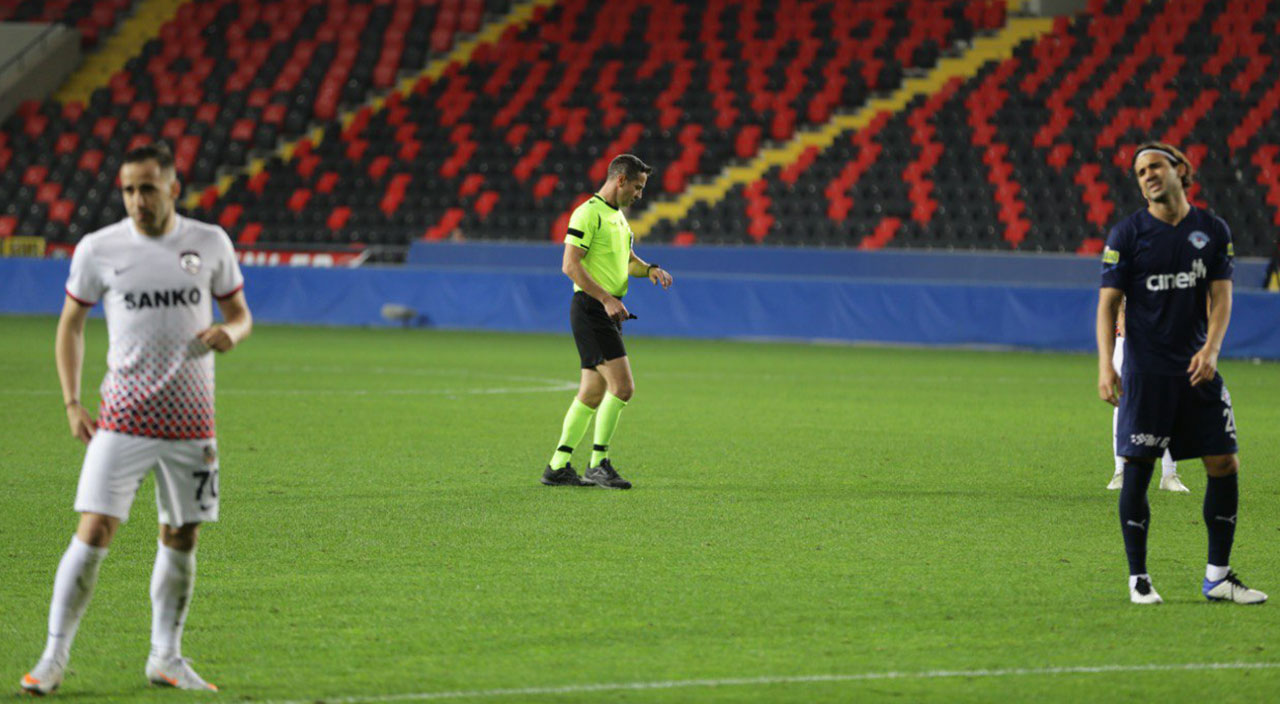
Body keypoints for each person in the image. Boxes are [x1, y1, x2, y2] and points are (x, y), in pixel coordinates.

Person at [21, 141, 252, 695]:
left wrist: (232, 333)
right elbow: (71, 324)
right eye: (128, 188)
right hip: (122, 417)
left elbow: (240, 314)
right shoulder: (99, 249)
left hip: (192, 422)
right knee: (94, 529)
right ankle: (53, 658)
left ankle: (165, 658)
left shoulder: (209, 242)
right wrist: (72, 402)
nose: (136, 199)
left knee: (181, 534)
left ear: (173, 188)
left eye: (147, 187)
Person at [1097, 141, 1265, 606]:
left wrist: (1212, 348)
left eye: (1155, 166)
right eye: (1140, 172)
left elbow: (1222, 296)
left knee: (1224, 464)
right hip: (1147, 374)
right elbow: (1107, 304)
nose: (1148, 175)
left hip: (1197, 370)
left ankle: (1218, 577)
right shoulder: (1127, 234)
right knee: (1137, 470)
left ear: (1181, 169)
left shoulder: (1211, 230)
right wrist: (1105, 366)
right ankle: (1139, 580)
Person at [541, 154, 673, 489]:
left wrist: (651, 269)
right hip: (591, 309)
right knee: (624, 387)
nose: (640, 195)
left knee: (591, 393)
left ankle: (558, 466)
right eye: (638, 187)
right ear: (620, 180)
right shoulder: (588, 213)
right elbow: (570, 265)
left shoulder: (620, 220)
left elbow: (628, 262)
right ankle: (598, 463)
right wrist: (606, 299)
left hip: (606, 310)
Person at [1106, 301, 1188, 492]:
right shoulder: (1129, 272)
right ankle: (1121, 471)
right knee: (1124, 403)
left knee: (1168, 403)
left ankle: (1169, 474)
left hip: (1163, 338)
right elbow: (1116, 303)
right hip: (1126, 339)